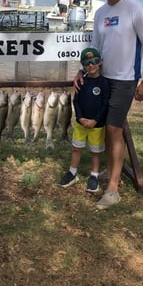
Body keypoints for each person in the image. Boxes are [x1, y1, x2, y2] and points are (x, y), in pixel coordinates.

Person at [74, 0, 143, 210]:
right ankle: (113, 166)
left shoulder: (135, 9)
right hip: (102, 78)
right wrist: (83, 70)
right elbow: (94, 48)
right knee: (106, 127)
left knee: (113, 128)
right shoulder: (99, 13)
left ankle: (112, 189)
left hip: (126, 79)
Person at [59, 48, 110, 193]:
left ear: (100, 62)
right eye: (87, 63)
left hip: (97, 126)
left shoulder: (104, 83)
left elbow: (105, 104)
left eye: (94, 61)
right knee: (77, 148)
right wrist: (80, 117)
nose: (91, 65)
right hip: (80, 125)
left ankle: (94, 176)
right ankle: (72, 172)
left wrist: (95, 120)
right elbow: (76, 102)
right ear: (83, 65)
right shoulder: (81, 81)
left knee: (95, 152)